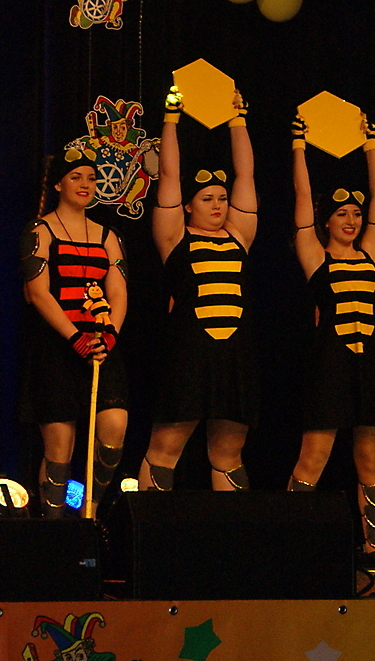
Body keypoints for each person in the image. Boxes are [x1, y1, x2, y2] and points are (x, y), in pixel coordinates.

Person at [139, 87, 257, 492]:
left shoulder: (239, 235)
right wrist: (171, 119)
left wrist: (238, 120)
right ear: (189, 205)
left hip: (235, 354)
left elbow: (246, 176)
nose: (218, 205)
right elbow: (169, 175)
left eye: (222, 198)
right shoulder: (174, 235)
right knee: (166, 447)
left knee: (229, 452)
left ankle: (232, 529)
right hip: (188, 353)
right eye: (207, 199)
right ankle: (153, 527)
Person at [287, 112, 375, 567]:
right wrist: (299, 147)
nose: (351, 220)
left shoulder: (371, 255)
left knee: (371, 458)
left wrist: (372, 146)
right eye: (342, 214)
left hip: (370, 365)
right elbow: (302, 198)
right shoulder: (316, 256)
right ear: (326, 221)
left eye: (356, 214)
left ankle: (374, 548)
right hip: (329, 364)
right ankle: (293, 543)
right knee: (315, 455)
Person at [21, 145, 129, 517]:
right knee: (59, 446)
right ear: (59, 184)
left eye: (91, 178)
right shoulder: (40, 230)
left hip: (100, 342)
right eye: (76, 177)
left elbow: (118, 291)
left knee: (114, 427)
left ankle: (91, 510)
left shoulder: (108, 235)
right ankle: (55, 528)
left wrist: (110, 334)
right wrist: (75, 338)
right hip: (57, 345)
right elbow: (39, 293)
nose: (85, 184)